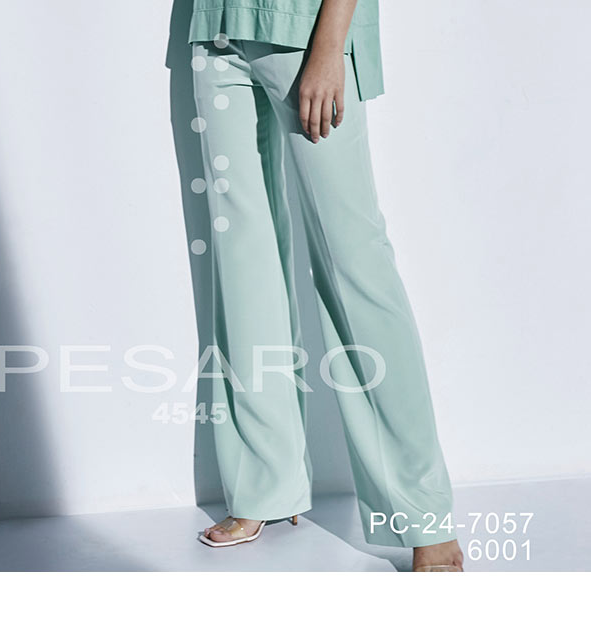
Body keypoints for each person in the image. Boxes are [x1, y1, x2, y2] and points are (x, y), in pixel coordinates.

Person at [188, 0, 464, 571]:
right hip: (213, 28)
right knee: (243, 264)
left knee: (354, 261)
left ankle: (424, 514)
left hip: (304, 31)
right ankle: (265, 485)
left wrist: (330, 47)